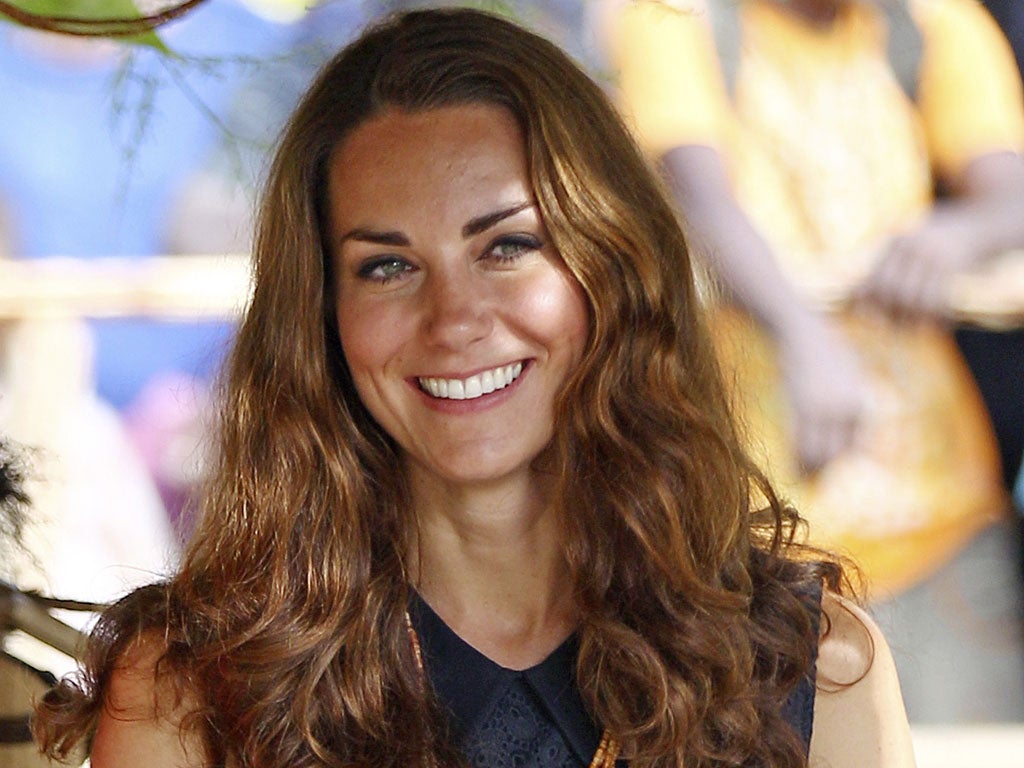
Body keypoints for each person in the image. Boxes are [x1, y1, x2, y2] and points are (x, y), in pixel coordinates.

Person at [33, 8, 913, 767]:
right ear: (320, 318)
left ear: (612, 270)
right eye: (386, 266)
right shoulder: (190, 686)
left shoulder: (813, 665)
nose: (454, 318)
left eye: (507, 246)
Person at [603, 0, 1024, 719]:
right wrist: (805, 339)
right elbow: (697, 194)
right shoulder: (675, 19)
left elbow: (1012, 193)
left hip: (937, 514)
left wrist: (955, 234)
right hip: (754, 529)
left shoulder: (931, 22)